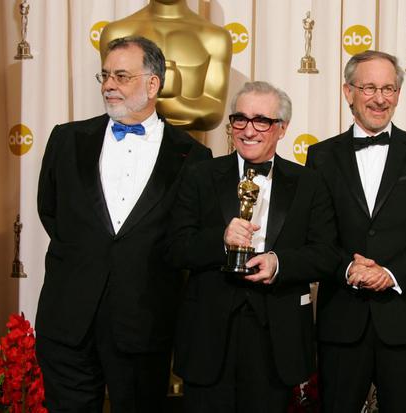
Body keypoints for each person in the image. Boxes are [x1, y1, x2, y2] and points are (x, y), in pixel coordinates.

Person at [36, 36, 211, 412]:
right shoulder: (66, 140)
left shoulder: (195, 157)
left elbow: (186, 239)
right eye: (104, 75)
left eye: (120, 76)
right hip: (67, 319)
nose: (108, 85)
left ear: (153, 84)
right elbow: (49, 211)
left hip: (143, 323)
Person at [165, 81, 339, 412]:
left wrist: (279, 262)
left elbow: (326, 254)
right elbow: (174, 248)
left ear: (282, 128)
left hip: (276, 338)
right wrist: (220, 238)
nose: (248, 130)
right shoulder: (200, 176)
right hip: (208, 336)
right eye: (240, 119)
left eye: (262, 120)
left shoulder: (309, 183)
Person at [305, 50, 406, 413]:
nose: (380, 98)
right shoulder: (321, 155)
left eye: (389, 88)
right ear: (348, 92)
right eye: (369, 87)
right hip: (343, 317)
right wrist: (349, 269)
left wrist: (391, 273)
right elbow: (317, 234)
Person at [99, 0, 232, 131]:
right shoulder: (116, 32)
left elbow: (212, 115)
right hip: (123, 145)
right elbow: (115, 103)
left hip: (186, 150)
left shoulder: (215, 37)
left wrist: (166, 101)